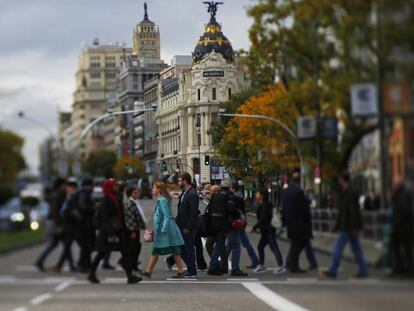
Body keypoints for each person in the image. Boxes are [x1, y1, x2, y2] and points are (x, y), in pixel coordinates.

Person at [88, 179, 141, 284]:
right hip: (108, 232)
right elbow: (104, 218)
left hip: (118, 230)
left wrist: (127, 230)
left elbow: (121, 215)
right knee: (101, 253)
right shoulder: (106, 200)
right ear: (109, 187)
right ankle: (91, 274)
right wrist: (111, 233)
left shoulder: (116, 197)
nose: (116, 187)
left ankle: (130, 276)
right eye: (114, 185)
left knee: (125, 253)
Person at [321, 171, 368, 279]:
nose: (339, 181)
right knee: (356, 249)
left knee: (338, 248)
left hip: (347, 226)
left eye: (340, 179)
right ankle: (363, 270)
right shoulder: (349, 192)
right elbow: (349, 211)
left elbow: (351, 211)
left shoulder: (348, 193)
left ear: (343, 180)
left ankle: (333, 270)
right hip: (349, 225)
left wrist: (351, 226)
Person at [140, 182, 186, 278]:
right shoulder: (162, 199)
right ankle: (181, 270)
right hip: (168, 228)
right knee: (174, 249)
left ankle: (148, 271)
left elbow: (167, 216)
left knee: (157, 249)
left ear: (159, 190)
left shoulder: (162, 200)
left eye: (154, 188)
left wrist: (164, 228)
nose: (152, 190)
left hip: (165, 229)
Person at [282, 172, 312, 273]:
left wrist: (284, 221)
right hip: (299, 223)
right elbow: (303, 208)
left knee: (295, 243)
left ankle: (290, 262)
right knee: (299, 243)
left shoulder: (286, 192)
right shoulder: (298, 192)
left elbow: (284, 208)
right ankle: (293, 265)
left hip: (290, 222)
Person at [35, 178, 67, 272]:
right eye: (64, 185)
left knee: (58, 244)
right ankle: (40, 261)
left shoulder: (57, 194)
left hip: (53, 222)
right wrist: (59, 226)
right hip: (54, 223)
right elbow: (55, 211)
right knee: (59, 243)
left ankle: (40, 261)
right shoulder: (58, 195)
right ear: (61, 185)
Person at [173, 173, 201, 278]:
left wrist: (188, 227)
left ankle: (192, 271)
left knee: (189, 249)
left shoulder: (192, 194)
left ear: (185, 181)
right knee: (180, 248)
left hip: (187, 228)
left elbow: (194, 213)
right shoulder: (185, 193)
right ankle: (190, 267)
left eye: (180, 180)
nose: (179, 182)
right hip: (181, 226)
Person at [251, 188, 285, 275]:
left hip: (269, 231)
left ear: (262, 195)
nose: (256, 195)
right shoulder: (262, 205)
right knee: (260, 247)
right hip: (265, 231)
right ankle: (261, 265)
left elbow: (263, 218)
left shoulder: (267, 205)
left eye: (257, 193)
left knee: (274, 247)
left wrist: (254, 227)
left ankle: (280, 266)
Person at [228, 183, 259, 269]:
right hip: (241, 222)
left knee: (233, 243)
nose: (229, 190)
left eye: (230, 188)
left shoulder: (234, 198)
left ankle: (255, 260)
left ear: (233, 189)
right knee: (233, 243)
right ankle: (255, 260)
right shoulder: (240, 196)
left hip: (237, 223)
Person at [51, 178, 79, 273]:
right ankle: (67, 265)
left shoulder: (72, 196)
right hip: (67, 225)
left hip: (71, 224)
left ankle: (61, 265)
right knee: (67, 245)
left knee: (67, 245)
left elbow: (69, 210)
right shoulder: (68, 196)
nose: (67, 188)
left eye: (69, 187)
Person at [390, 176, 413, 275]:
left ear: (398, 184)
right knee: (399, 246)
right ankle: (401, 267)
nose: (392, 185)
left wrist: (397, 222)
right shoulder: (400, 192)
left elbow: (405, 210)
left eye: (394, 183)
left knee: (406, 248)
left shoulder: (403, 193)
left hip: (403, 226)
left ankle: (405, 268)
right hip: (401, 226)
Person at [124, 186, 147, 271]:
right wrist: (133, 230)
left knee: (136, 247)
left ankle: (134, 265)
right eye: (135, 193)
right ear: (130, 194)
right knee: (133, 248)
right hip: (132, 230)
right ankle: (132, 265)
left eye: (137, 192)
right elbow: (131, 218)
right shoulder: (130, 203)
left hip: (136, 228)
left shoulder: (134, 202)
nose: (137, 194)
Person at [76, 179, 95, 273]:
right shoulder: (83, 194)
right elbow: (83, 207)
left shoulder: (85, 193)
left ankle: (84, 263)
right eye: (90, 185)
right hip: (84, 223)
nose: (91, 187)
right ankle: (84, 265)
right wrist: (93, 208)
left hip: (85, 223)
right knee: (86, 245)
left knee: (87, 245)